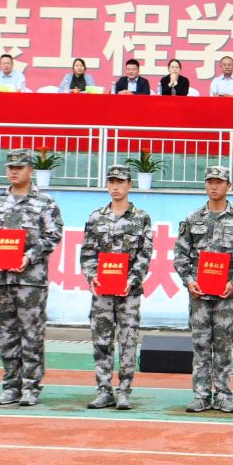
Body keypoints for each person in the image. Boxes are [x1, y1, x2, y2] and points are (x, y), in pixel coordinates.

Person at [0, 149, 65, 406]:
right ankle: (11, 385)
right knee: (5, 334)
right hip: (0, 280)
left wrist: (30, 256)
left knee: (32, 334)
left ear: (30, 170)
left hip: (30, 281)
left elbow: (54, 235)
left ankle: (31, 387)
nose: (14, 171)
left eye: (19, 167)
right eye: (10, 167)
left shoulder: (45, 203)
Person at [174, 165, 233, 413]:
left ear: (228, 186)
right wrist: (188, 280)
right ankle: (201, 395)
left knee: (223, 346)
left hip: (226, 295)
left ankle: (223, 395)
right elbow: (181, 254)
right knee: (201, 345)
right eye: (210, 181)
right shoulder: (192, 218)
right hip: (199, 294)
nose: (214, 186)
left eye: (219, 182)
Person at [79, 164, 154, 410]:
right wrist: (92, 276)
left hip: (128, 292)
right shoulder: (95, 217)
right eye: (111, 182)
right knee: (101, 340)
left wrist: (131, 279)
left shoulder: (141, 217)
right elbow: (87, 252)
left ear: (129, 185)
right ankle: (104, 390)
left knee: (128, 340)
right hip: (102, 291)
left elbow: (145, 254)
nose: (115, 186)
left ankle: (124, 391)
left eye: (120, 182)